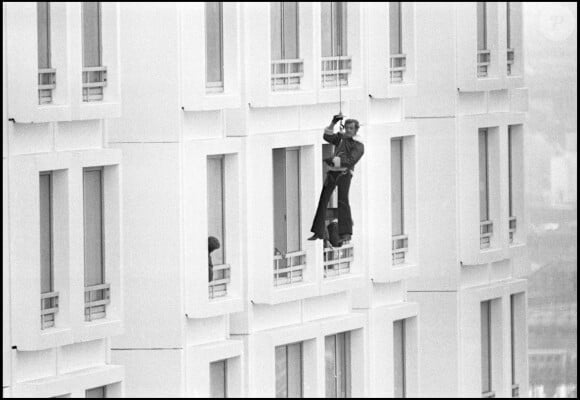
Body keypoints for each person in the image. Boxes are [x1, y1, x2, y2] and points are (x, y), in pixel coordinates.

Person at [308, 114, 364, 244]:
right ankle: (319, 231)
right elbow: (327, 137)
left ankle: (346, 233)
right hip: (333, 173)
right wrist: (333, 123)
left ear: (356, 130)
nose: (348, 130)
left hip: (344, 174)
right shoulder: (341, 138)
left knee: (343, 200)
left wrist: (333, 161)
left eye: (351, 128)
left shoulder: (358, 145)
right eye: (347, 128)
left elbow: (350, 160)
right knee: (323, 200)